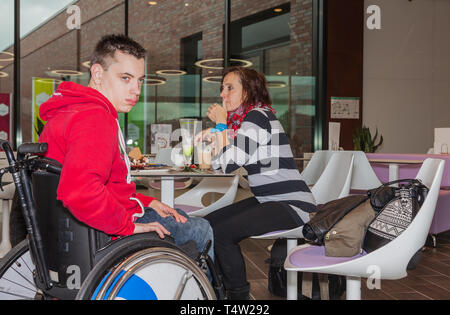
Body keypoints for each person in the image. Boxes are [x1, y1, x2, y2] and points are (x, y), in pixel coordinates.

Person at [38, 34, 213, 258]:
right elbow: (81, 191)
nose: (136, 90)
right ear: (98, 73)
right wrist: (126, 227)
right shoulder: (94, 118)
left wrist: (145, 201)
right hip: (104, 232)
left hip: (73, 228)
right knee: (201, 230)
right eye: (125, 78)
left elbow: (105, 184)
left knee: (177, 214)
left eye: (139, 80)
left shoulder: (73, 110)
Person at [196, 66, 316, 299]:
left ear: (248, 91)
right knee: (207, 226)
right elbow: (219, 165)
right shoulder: (247, 123)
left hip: (292, 205)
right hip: (268, 200)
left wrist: (221, 126)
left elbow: (228, 164)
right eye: (222, 88)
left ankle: (237, 297)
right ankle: (218, 290)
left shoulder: (258, 116)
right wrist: (223, 130)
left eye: (230, 88)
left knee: (221, 233)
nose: (222, 94)